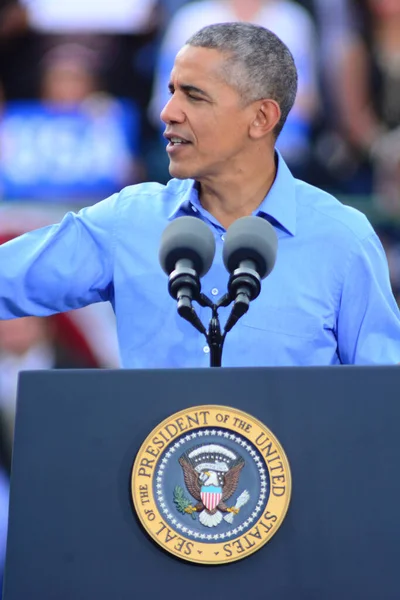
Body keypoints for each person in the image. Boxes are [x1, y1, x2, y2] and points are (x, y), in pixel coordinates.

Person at [0, 22, 399, 367]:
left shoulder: (343, 240)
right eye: (172, 91)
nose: (168, 111)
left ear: (261, 118)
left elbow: (382, 396)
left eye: (194, 96)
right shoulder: (127, 222)